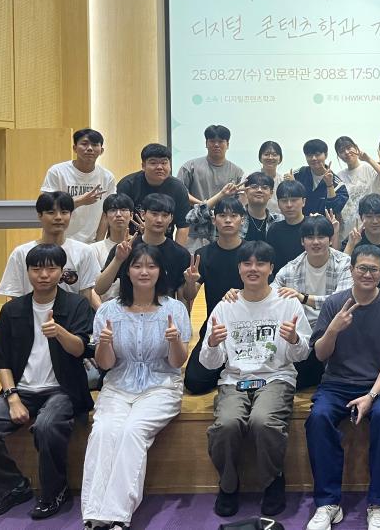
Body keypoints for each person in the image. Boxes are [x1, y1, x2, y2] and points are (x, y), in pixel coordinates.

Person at [0, 244, 94, 520]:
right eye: (36, 269)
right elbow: (1, 359)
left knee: (46, 427)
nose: (44, 275)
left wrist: (59, 332)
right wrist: (12, 398)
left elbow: (81, 350)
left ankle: (55, 491)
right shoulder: (13, 310)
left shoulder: (76, 305)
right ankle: (11, 488)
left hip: (62, 390)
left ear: (62, 272)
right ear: (28, 272)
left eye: (51, 269)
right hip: (20, 390)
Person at [81, 244, 192, 529]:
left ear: (160, 271)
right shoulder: (108, 310)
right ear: (127, 271)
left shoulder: (175, 309)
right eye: (137, 265)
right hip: (118, 385)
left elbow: (177, 362)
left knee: (132, 431)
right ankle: (93, 516)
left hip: (161, 386)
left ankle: (117, 516)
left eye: (151, 266)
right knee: (103, 431)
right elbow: (106, 364)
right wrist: (104, 344)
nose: (144, 272)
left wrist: (174, 341)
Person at [198, 241, 311, 517]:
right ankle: (228, 485)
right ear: (239, 268)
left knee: (263, 421)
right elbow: (209, 362)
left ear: (271, 268)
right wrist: (212, 343)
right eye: (247, 263)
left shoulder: (287, 302)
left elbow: (302, 354)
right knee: (226, 425)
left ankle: (273, 482)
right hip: (234, 380)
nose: (253, 269)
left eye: (260, 263)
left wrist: (294, 339)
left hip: (276, 377)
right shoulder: (226, 305)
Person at [304, 245, 380, 530]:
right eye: (362, 268)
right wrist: (333, 329)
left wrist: (371, 396)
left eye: (373, 269)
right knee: (318, 418)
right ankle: (328, 503)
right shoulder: (334, 304)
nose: (367, 274)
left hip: (377, 385)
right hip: (336, 383)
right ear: (351, 270)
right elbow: (321, 355)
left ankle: (378, 504)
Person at [271, 215, 352, 389]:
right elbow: (269, 294)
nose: (316, 242)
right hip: (304, 332)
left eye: (321, 236)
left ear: (330, 239)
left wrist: (304, 298)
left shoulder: (344, 263)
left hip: (334, 329)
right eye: (310, 237)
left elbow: (342, 300)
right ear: (302, 241)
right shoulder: (291, 268)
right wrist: (242, 293)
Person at [181, 197, 246, 395]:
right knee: (194, 382)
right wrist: (190, 282)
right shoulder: (203, 254)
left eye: (233, 215)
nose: (228, 220)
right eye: (222, 215)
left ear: (242, 220)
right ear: (213, 219)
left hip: (247, 327)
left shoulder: (251, 252)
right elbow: (188, 295)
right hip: (215, 327)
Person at [0, 191, 98, 308]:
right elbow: (15, 295)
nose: (58, 217)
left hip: (71, 317)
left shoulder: (84, 252)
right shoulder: (21, 253)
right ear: (39, 215)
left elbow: (86, 294)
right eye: (51, 212)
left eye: (64, 212)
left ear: (71, 215)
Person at [96, 193, 191, 305]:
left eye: (165, 215)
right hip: (129, 310)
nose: (159, 220)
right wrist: (118, 260)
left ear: (171, 218)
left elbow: (184, 298)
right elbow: (99, 288)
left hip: (165, 313)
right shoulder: (125, 248)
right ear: (143, 214)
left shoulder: (180, 254)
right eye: (154, 214)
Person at [40, 128, 116, 243]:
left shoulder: (107, 177)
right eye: (84, 144)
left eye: (95, 145)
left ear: (101, 150)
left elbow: (105, 214)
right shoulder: (57, 172)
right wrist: (80, 201)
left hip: (90, 244)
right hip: (58, 241)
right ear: (75, 148)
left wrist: (98, 244)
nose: (89, 148)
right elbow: (47, 208)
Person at [177, 125, 245, 250]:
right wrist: (204, 206)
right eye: (212, 141)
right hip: (195, 231)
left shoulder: (237, 172)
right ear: (206, 143)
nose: (216, 145)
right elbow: (181, 193)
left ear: (228, 144)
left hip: (225, 233)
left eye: (221, 141)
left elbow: (240, 201)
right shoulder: (190, 167)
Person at [116, 143, 191, 245]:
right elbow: (118, 222)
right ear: (143, 166)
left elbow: (183, 226)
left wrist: (177, 251)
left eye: (164, 163)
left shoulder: (178, 188)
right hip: (132, 243)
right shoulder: (128, 185)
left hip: (164, 243)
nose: (159, 167)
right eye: (153, 163)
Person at [334, 136, 380, 246]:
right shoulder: (339, 176)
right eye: (342, 151)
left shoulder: (367, 168)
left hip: (369, 227)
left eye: (349, 147)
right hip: (347, 229)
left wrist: (368, 159)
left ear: (356, 147)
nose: (346, 152)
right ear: (339, 156)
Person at [89, 193, 135, 302]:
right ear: (105, 216)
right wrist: (102, 310)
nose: (118, 214)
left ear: (131, 215)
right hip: (104, 305)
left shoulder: (141, 245)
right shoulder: (93, 249)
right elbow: (91, 288)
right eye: (113, 210)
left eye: (123, 210)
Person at [288, 139, 349, 217]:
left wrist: (329, 185)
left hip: (324, 223)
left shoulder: (337, 183)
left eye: (317, 154)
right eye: (309, 155)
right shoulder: (298, 174)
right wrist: (292, 185)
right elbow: (287, 200)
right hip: (300, 222)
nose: (313, 158)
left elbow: (335, 209)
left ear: (326, 155)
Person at [266, 180, 308, 269]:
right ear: (278, 203)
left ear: (303, 202)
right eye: (284, 201)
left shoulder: (312, 226)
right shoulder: (274, 230)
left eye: (294, 200)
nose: (289, 205)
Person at [240, 171, 284, 242]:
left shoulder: (279, 220)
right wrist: (223, 194)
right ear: (246, 191)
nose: (259, 190)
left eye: (264, 188)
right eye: (254, 187)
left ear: (271, 194)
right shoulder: (236, 216)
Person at [258, 140, 285, 214]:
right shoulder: (249, 177)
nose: (270, 158)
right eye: (266, 154)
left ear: (280, 159)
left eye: (274, 155)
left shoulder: (283, 181)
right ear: (260, 158)